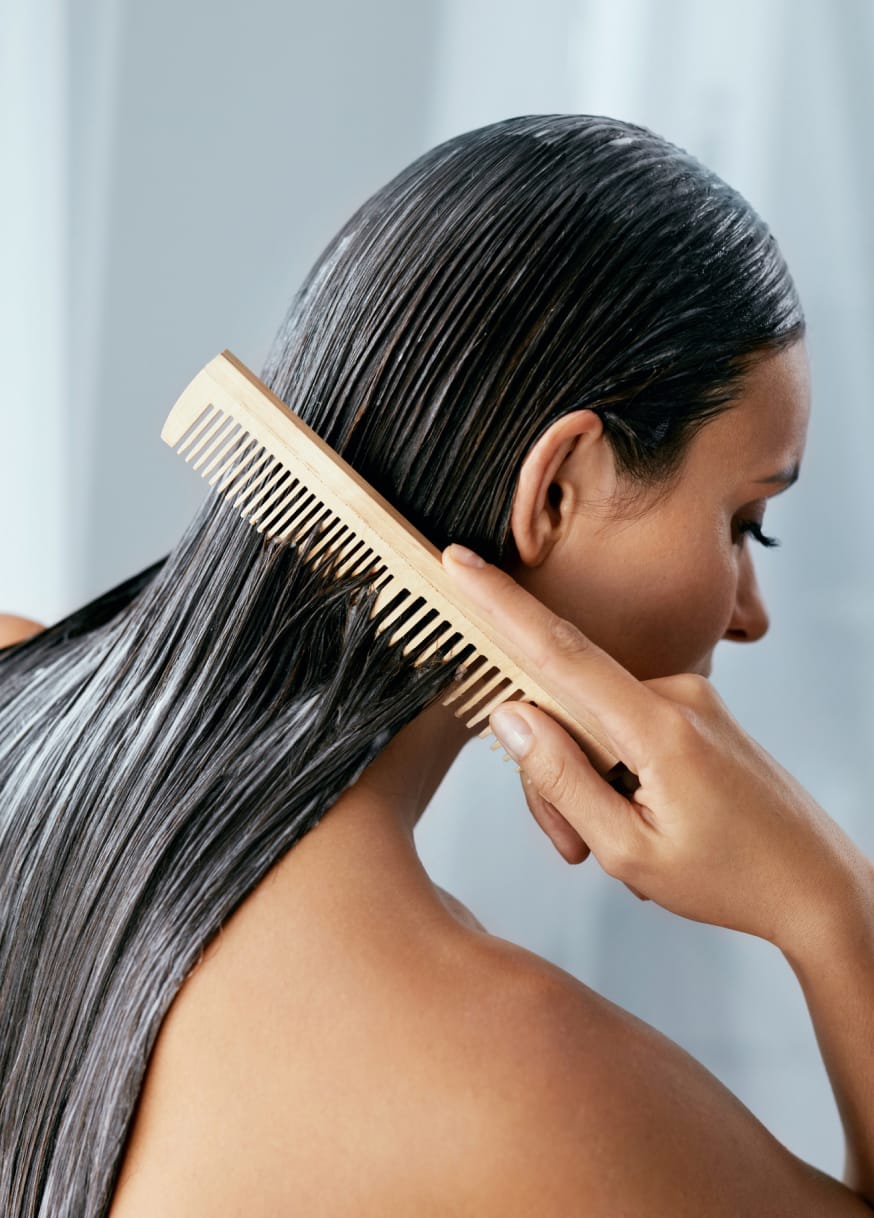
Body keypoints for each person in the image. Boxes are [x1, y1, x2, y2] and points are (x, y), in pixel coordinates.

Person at [1, 113, 868, 1215]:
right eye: (747, 523)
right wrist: (832, 910)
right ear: (558, 487)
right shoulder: (532, 1087)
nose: (750, 616)